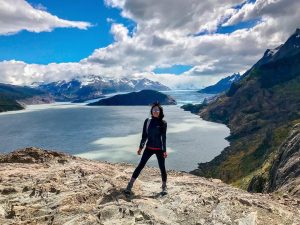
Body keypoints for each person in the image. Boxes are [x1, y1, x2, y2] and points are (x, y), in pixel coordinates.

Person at [124, 101, 168, 195]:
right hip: (149, 148)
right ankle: (129, 185)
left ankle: (164, 187)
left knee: (162, 168)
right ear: (151, 111)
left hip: (159, 149)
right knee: (140, 166)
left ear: (160, 112)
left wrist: (164, 150)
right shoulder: (147, 121)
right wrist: (141, 147)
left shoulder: (163, 123)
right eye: (154, 109)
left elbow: (163, 138)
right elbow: (144, 136)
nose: (155, 111)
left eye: (157, 110)